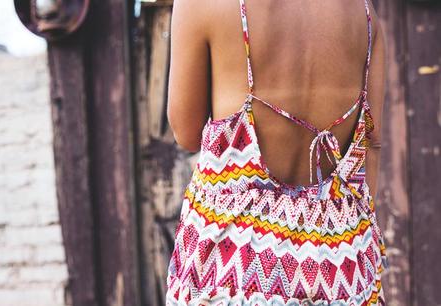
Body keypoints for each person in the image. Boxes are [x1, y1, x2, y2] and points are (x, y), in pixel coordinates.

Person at [166, 0, 388, 304]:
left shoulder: (203, 4)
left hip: (229, 267)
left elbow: (186, 133)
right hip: (340, 269)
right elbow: (371, 144)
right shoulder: (364, 14)